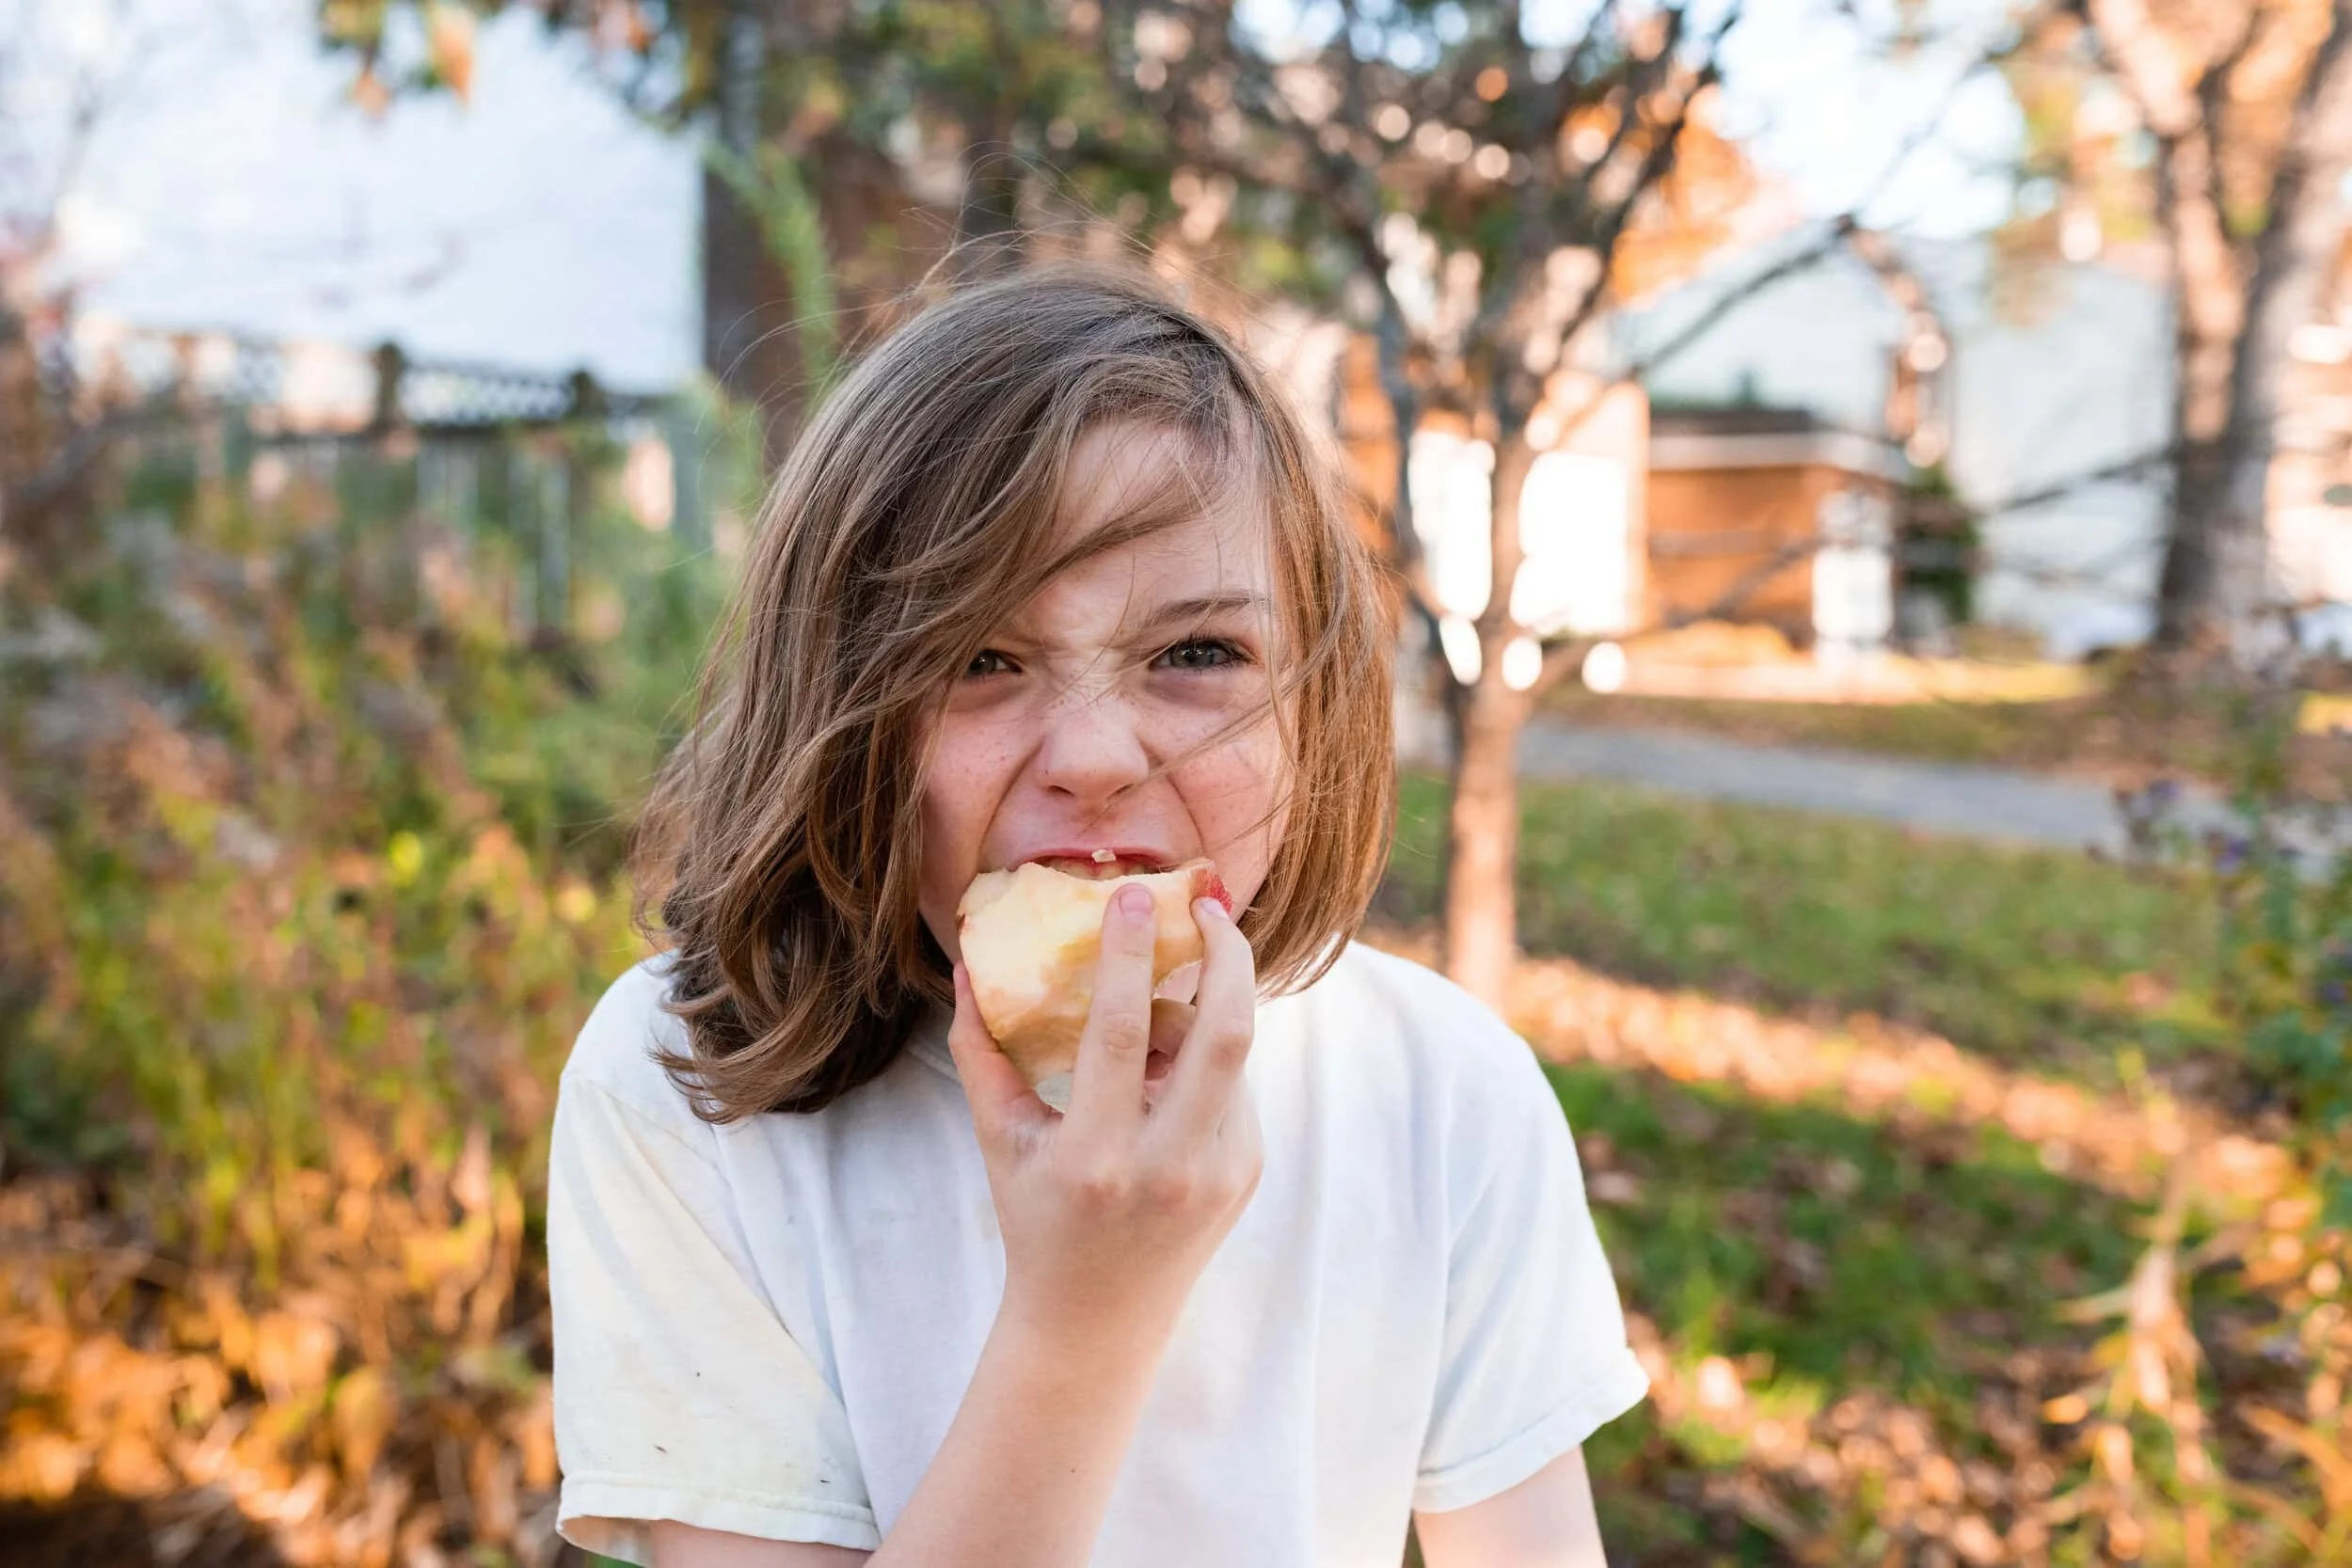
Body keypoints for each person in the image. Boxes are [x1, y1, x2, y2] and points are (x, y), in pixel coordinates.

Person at [546, 263, 1650, 1568]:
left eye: (1195, 655)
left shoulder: (1437, 1090)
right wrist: (1084, 1321)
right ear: (835, 712)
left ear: (1313, 709)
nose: (1093, 755)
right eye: (979, 660)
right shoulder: (686, 1090)